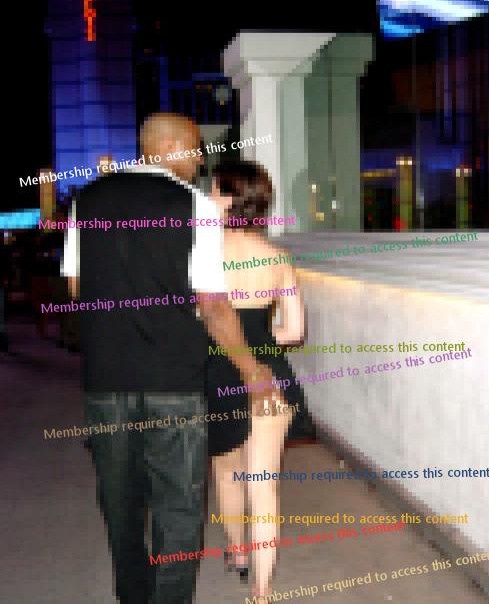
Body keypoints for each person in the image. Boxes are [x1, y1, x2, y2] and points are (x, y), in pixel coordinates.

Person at [62, 113, 276, 604]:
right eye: (195, 149)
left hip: (106, 379)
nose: (200, 161)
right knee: (177, 507)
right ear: (170, 147)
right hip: (173, 380)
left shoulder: (87, 200)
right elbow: (213, 305)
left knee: (120, 503)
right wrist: (251, 368)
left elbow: (75, 286)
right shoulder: (193, 204)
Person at [206, 158, 306, 603]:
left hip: (219, 369)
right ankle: (262, 592)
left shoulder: (203, 253)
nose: (208, 197)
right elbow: (295, 331)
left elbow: (199, 319)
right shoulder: (278, 258)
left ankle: (237, 552)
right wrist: (262, 338)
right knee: (264, 485)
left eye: (214, 190)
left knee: (227, 472)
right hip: (270, 373)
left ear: (227, 199)